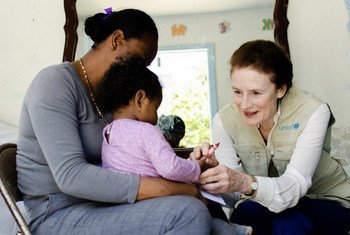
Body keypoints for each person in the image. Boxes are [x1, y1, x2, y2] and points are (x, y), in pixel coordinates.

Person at [16, 8, 247, 234]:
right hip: (56, 212)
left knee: (208, 201)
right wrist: (170, 188)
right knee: (188, 212)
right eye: (139, 60)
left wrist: (193, 168)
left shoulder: (112, 95)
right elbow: (71, 176)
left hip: (100, 204)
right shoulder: (54, 84)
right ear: (117, 39)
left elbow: (137, 155)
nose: (139, 71)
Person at [193, 40, 350, 234]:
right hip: (259, 203)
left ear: (281, 89)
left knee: (286, 222)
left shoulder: (314, 111)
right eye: (237, 92)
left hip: (324, 199)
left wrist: (244, 182)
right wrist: (211, 175)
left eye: (256, 93)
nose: (244, 105)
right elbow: (232, 197)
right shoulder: (223, 121)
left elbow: (294, 187)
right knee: (244, 215)